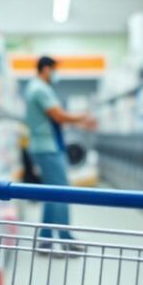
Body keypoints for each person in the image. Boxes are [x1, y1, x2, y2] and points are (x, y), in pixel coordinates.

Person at [24, 56, 96, 251]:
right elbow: (58, 115)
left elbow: (56, 118)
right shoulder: (39, 88)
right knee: (62, 192)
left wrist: (79, 121)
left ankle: (46, 239)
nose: (56, 74)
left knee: (51, 193)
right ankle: (66, 239)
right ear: (46, 69)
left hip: (44, 145)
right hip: (47, 147)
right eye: (54, 70)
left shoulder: (34, 88)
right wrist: (83, 117)